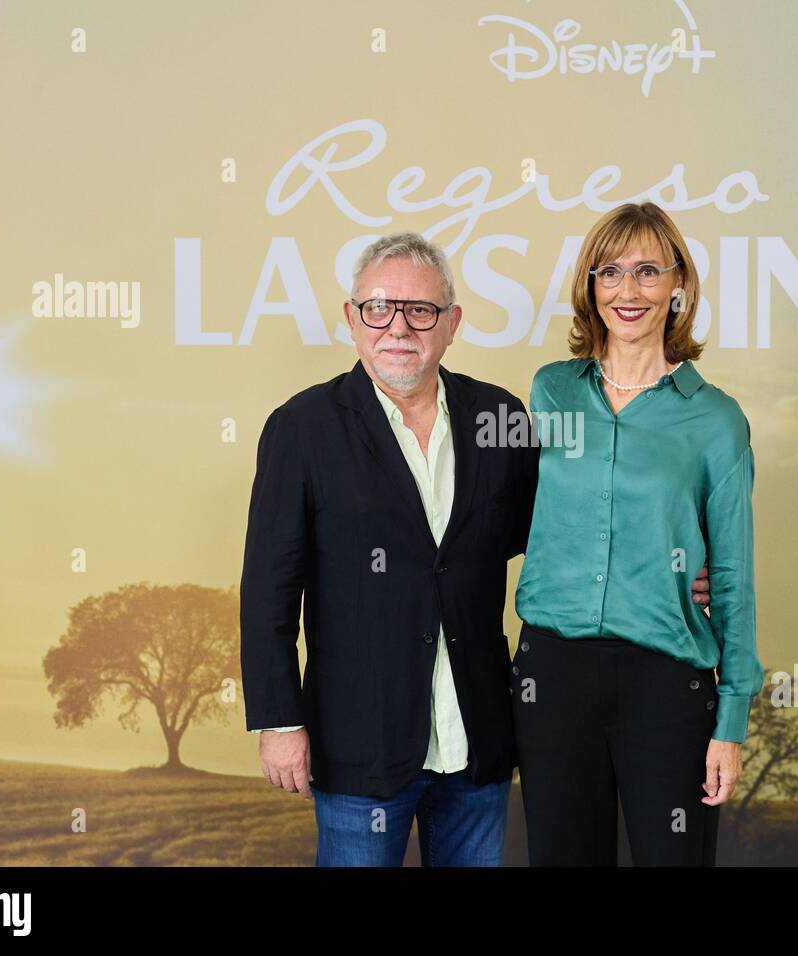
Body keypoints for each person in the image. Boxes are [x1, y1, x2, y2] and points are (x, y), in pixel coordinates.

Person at [239, 231, 710, 866]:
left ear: (452, 323)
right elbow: (268, 591)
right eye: (379, 308)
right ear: (352, 319)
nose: (399, 327)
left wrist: (668, 566)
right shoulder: (301, 429)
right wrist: (278, 721)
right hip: (358, 744)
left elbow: (555, 530)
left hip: (479, 741)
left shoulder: (499, 416)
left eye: (421, 311)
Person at [512, 201, 765, 866]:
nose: (629, 291)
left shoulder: (716, 421)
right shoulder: (549, 393)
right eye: (611, 272)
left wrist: (732, 720)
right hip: (552, 676)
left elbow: (733, 575)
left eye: (648, 271)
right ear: (591, 286)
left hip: (666, 684)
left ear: (679, 283)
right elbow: (519, 517)